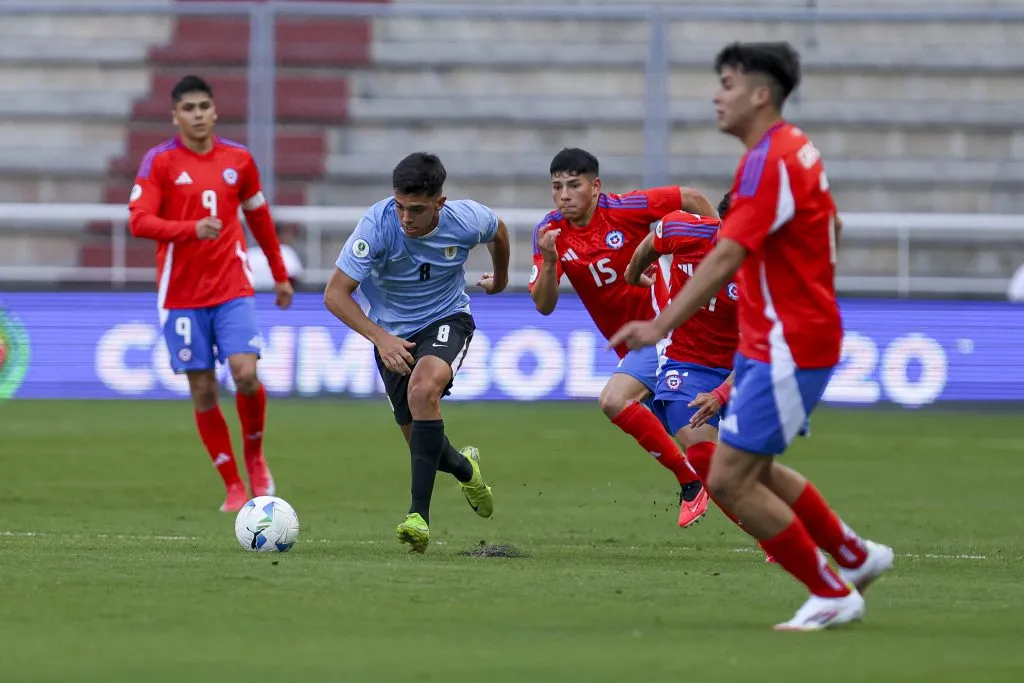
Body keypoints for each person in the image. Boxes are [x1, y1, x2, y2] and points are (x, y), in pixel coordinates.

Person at [609, 42, 893, 630]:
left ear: (761, 94)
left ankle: (831, 590)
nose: (718, 95)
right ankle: (854, 555)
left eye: (729, 84)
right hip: (780, 338)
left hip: (791, 342)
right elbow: (831, 223)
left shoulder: (768, 162)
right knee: (751, 469)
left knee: (730, 476)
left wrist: (660, 322)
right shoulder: (795, 150)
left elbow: (727, 254)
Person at [324, 152, 510, 553]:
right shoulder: (377, 225)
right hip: (391, 336)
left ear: (439, 203)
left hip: (447, 319)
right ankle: (467, 469)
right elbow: (335, 294)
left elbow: (498, 231)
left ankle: (418, 518)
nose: (407, 217)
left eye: (418, 209)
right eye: (401, 207)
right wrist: (380, 338)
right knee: (425, 446)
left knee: (423, 392)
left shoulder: (465, 219)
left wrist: (501, 279)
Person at [128, 75, 294, 513]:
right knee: (203, 390)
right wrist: (190, 230)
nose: (198, 114)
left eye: (204, 106)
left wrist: (279, 274)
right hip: (180, 293)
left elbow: (259, 219)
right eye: (189, 108)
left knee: (245, 373)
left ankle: (256, 460)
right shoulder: (159, 162)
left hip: (231, 285)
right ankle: (233, 484)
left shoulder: (238, 160)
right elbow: (139, 221)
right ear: (175, 116)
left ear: (215, 111)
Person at [529, 148, 712, 528]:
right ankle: (774, 538)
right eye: (556, 186)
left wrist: (720, 250)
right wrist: (548, 262)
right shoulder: (549, 232)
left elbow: (690, 197)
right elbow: (544, 305)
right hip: (634, 348)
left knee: (614, 399)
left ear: (595, 187)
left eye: (573, 185)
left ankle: (690, 482)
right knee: (706, 450)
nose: (564, 195)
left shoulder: (626, 209)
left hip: (666, 333)